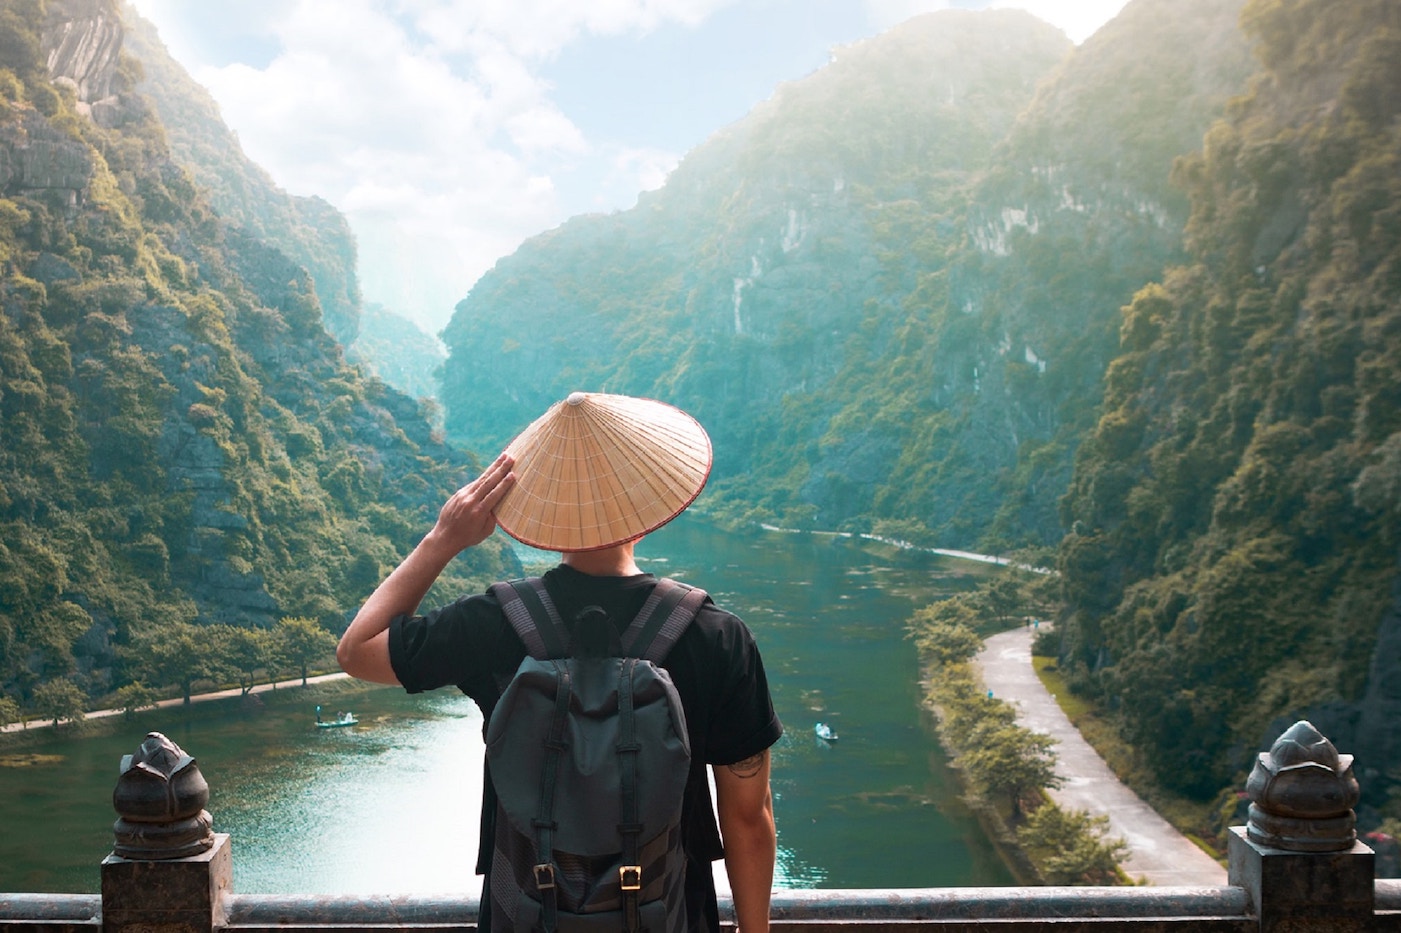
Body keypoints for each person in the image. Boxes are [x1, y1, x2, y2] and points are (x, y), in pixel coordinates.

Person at [338, 392, 782, 933]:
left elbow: (357, 651)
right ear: (646, 509)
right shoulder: (716, 636)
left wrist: (443, 539)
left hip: (528, 913)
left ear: (548, 517)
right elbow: (747, 818)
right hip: (669, 914)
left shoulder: (494, 623)